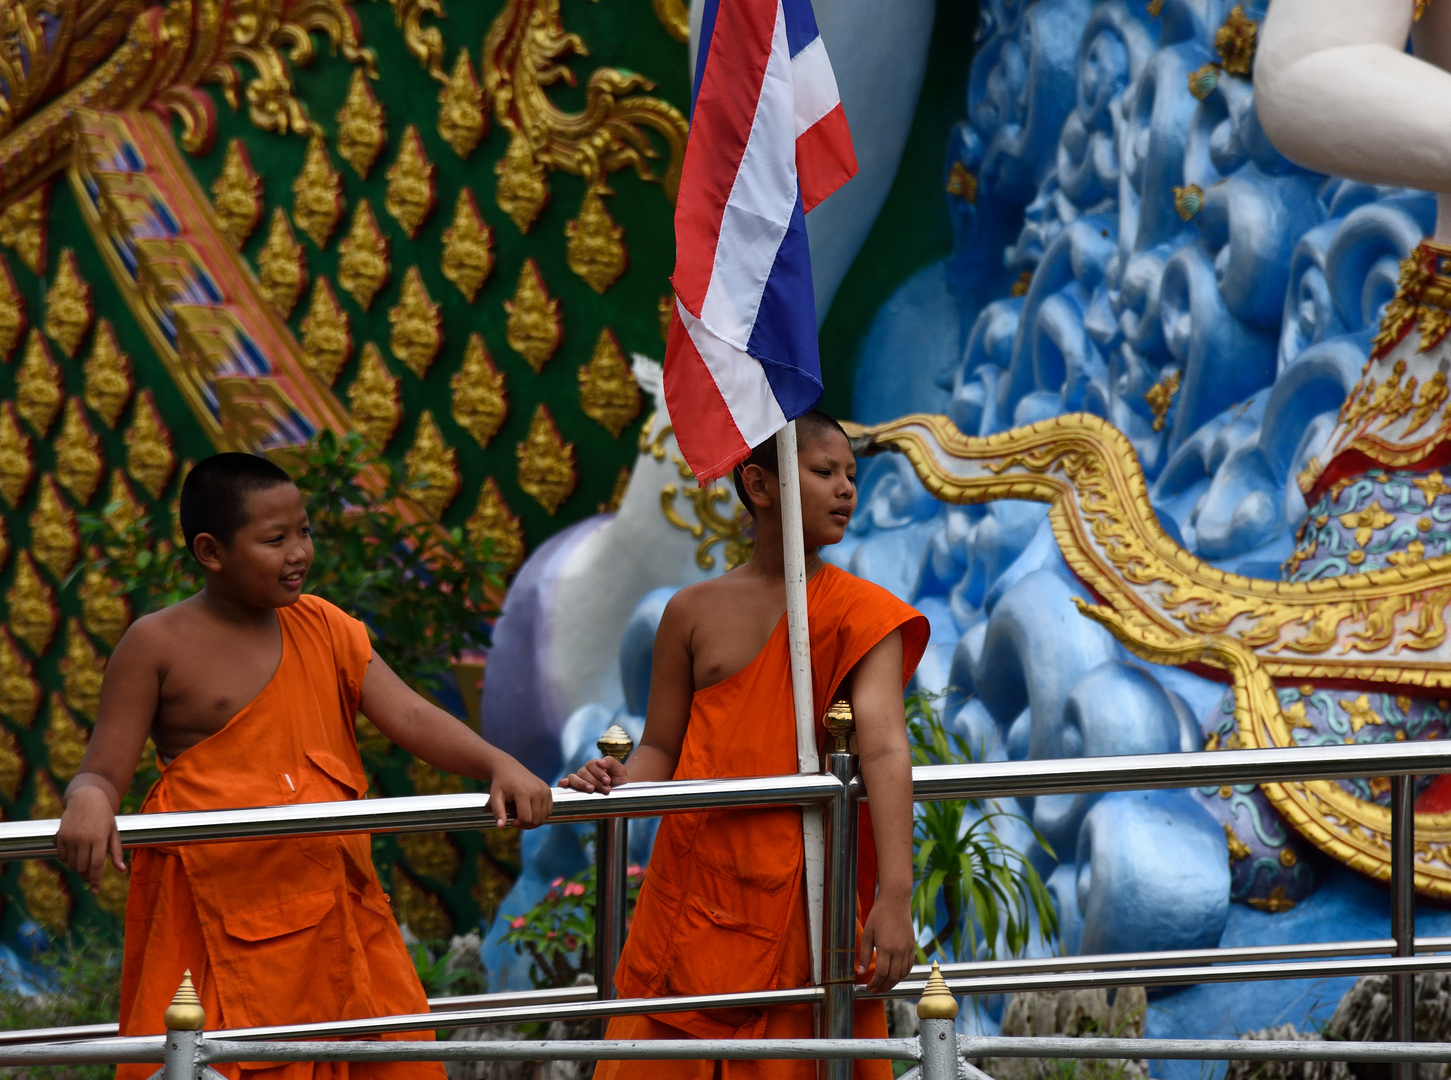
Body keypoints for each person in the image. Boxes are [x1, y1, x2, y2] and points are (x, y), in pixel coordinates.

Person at [55, 452, 554, 1080]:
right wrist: (91, 799)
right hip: (219, 915)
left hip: (336, 911)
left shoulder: (324, 626)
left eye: (305, 532)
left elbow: (411, 717)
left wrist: (496, 763)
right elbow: (103, 769)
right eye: (275, 539)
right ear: (211, 551)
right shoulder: (157, 644)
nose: (298, 552)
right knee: (206, 1058)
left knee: (380, 1057)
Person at [562, 411, 930, 1080]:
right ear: (759, 485)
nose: (846, 488)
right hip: (690, 893)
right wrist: (617, 785)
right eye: (823, 472)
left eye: (851, 474)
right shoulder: (692, 613)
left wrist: (895, 897)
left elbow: (882, 751)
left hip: (801, 900)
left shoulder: (862, 615)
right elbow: (660, 750)